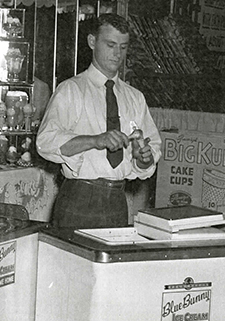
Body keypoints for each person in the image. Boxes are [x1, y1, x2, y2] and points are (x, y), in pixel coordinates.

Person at [36, 13, 162, 229]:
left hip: (117, 201)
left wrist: (144, 158)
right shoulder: (71, 90)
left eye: (123, 47)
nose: (117, 54)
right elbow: (45, 142)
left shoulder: (135, 97)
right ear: (92, 41)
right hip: (79, 199)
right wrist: (95, 140)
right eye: (111, 44)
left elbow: (148, 157)